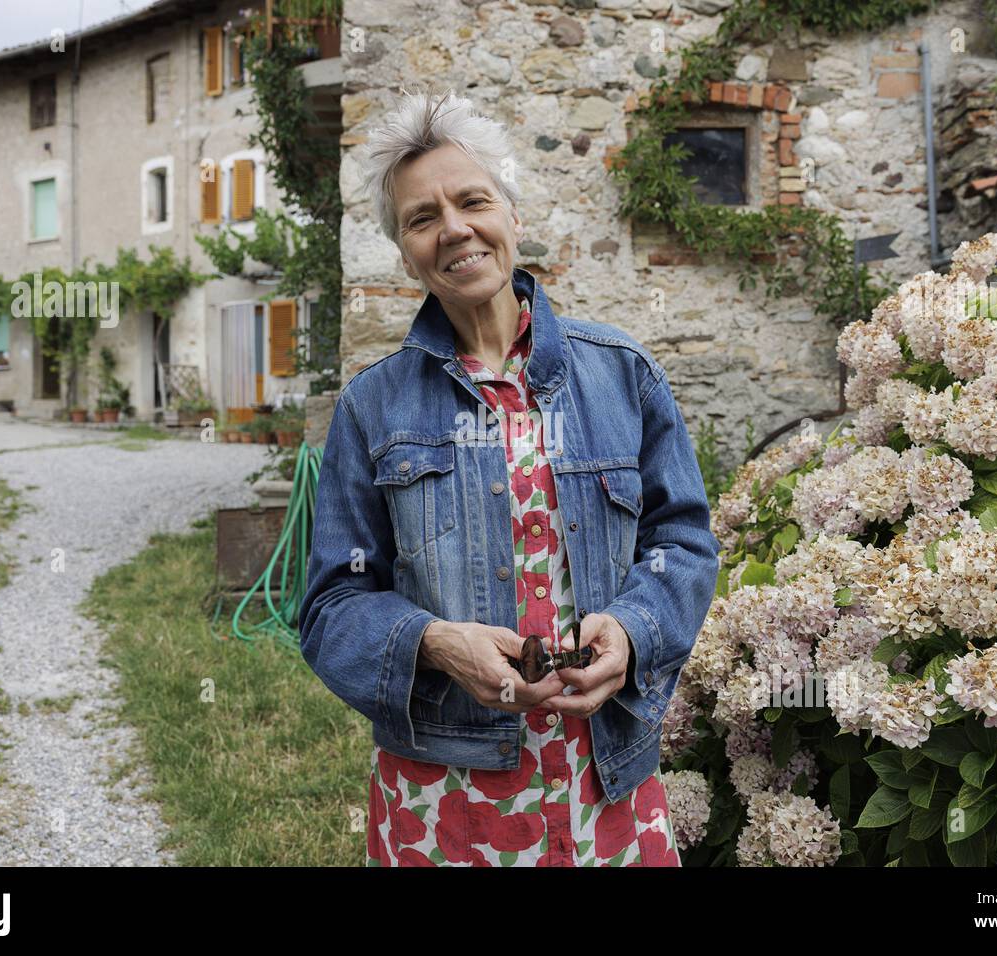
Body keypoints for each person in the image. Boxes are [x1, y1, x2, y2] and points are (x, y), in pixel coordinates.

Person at [298, 89, 719, 866]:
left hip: (605, 782)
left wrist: (632, 628)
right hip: (445, 792)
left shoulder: (622, 375)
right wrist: (434, 641)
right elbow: (330, 605)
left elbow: (683, 542)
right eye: (422, 219)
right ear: (406, 253)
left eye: (472, 201)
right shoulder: (372, 406)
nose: (453, 228)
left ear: (512, 218)